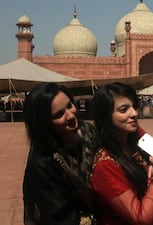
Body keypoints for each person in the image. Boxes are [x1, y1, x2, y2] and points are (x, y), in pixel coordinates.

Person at [89, 82, 153, 225]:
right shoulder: (106, 166)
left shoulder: (134, 138)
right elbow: (141, 218)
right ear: (106, 117)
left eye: (133, 106)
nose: (134, 113)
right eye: (123, 109)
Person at [22, 82, 101, 225]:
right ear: (44, 123)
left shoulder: (88, 131)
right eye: (59, 115)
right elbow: (54, 215)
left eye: (70, 105)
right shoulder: (43, 161)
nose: (70, 115)